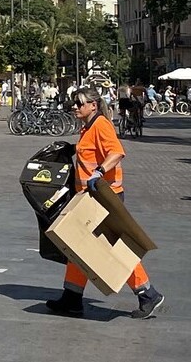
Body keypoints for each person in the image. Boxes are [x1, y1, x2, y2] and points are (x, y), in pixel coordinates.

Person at [46, 87, 165, 319]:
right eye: (74, 103)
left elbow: (117, 152)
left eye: (79, 103)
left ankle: (148, 294)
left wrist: (99, 172)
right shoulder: (88, 126)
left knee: (113, 248)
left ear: (93, 105)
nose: (75, 107)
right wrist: (71, 149)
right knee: (76, 244)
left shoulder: (100, 125)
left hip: (105, 197)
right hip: (90, 196)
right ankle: (71, 298)